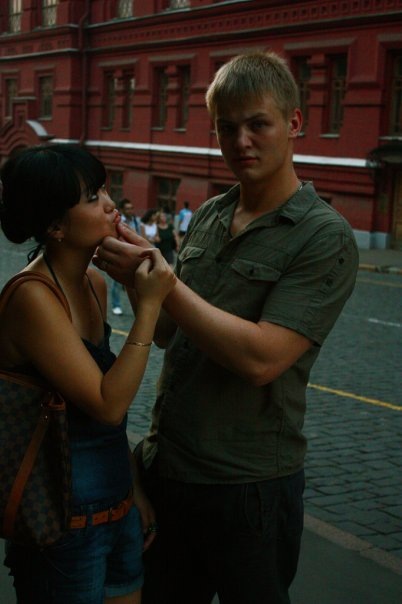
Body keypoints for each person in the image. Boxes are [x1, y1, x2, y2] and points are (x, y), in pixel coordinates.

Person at [94, 51, 359, 604]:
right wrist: (141, 272)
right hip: (170, 469)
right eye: (227, 127)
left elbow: (262, 360)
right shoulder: (213, 213)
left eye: (258, 124)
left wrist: (166, 282)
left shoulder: (323, 235)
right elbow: (168, 332)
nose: (241, 141)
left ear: (294, 122)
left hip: (248, 488)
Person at [0, 143, 175, 604]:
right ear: (55, 226)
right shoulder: (33, 297)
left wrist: (132, 489)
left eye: (104, 190)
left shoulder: (94, 282)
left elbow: (110, 420)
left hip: (117, 509)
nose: (111, 204)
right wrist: (148, 304)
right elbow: (107, 404)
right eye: (93, 197)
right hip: (62, 526)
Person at [111, 198, 141, 315]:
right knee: (117, 282)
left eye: (131, 208)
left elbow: (138, 236)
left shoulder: (135, 221)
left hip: (133, 254)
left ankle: (137, 306)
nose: (130, 210)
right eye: (128, 209)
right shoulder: (117, 221)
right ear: (122, 210)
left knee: (134, 281)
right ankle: (116, 305)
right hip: (120, 253)